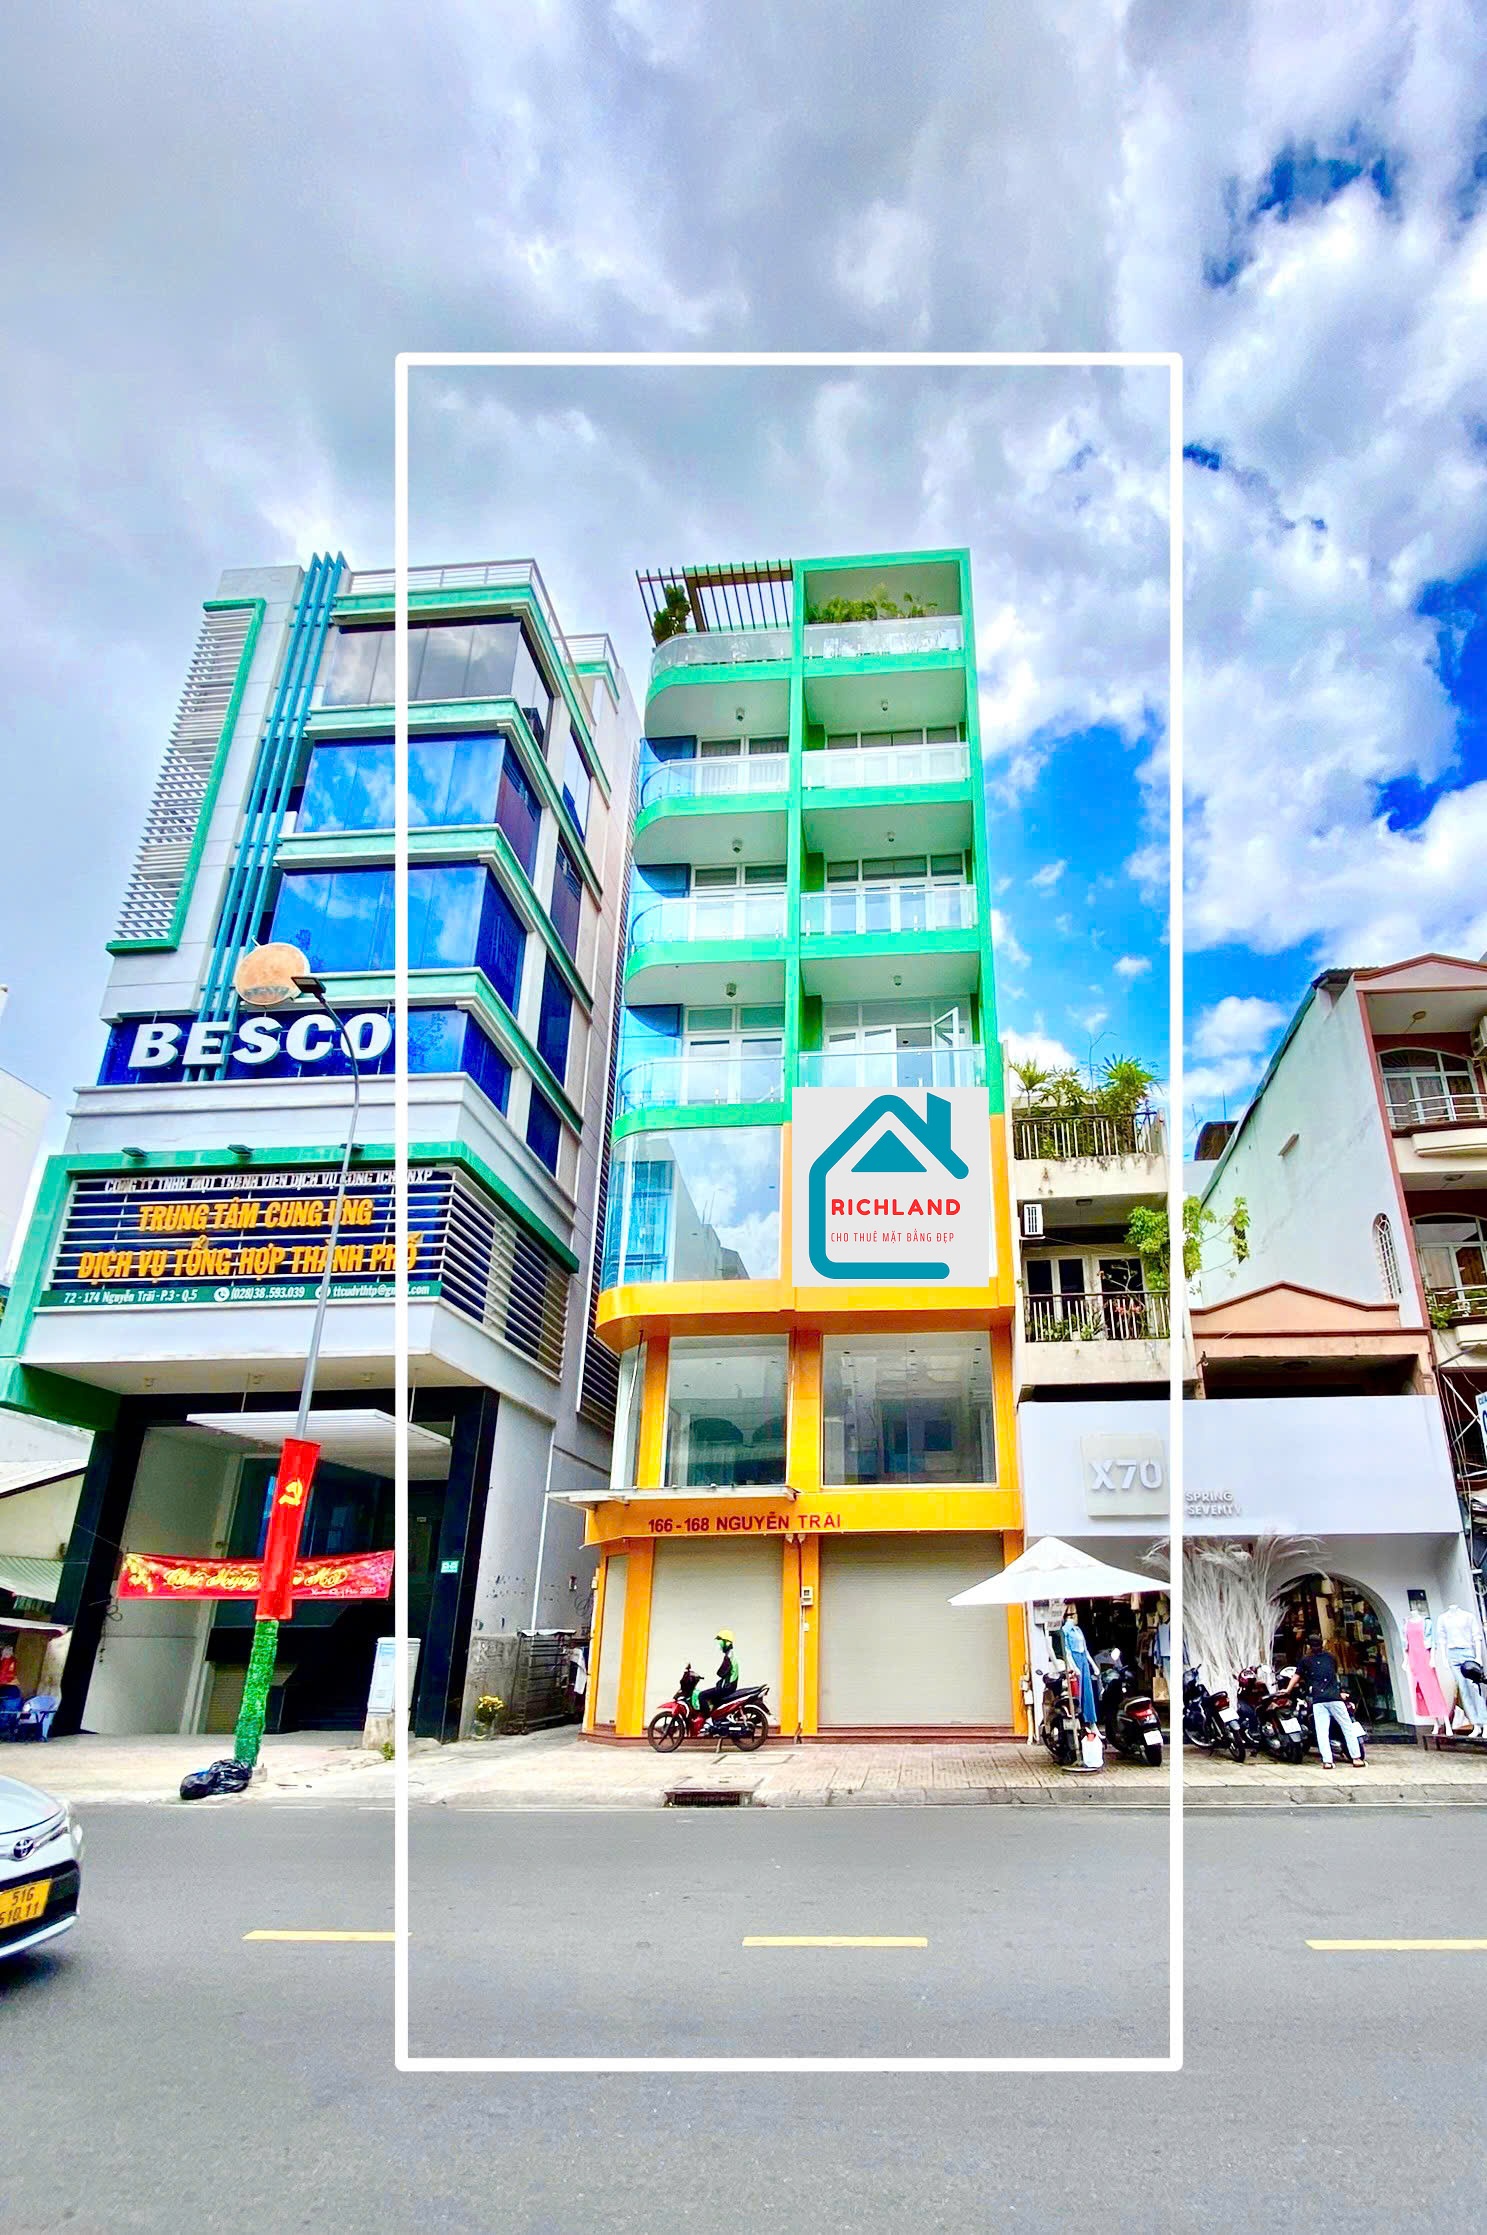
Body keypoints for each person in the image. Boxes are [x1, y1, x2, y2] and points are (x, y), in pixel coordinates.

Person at [1291, 1633, 1365, 1768]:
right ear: (1322, 1644)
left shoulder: (1305, 1660)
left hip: (1319, 1700)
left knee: (1322, 1731)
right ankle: (1356, 1758)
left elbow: (1296, 1676)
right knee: (1347, 1727)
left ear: (1309, 1646)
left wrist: (1287, 1689)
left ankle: (1327, 1761)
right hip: (1335, 1697)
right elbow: (1334, 1674)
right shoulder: (1331, 1657)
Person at [697, 1631, 740, 1728]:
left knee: (702, 1695)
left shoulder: (729, 1656)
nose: (720, 1646)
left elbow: (721, 1672)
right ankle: (717, 1720)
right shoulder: (730, 1655)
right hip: (728, 1686)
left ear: (726, 1642)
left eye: (721, 1642)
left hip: (727, 1687)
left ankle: (708, 1720)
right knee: (714, 1700)